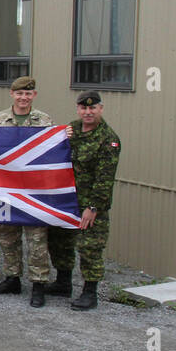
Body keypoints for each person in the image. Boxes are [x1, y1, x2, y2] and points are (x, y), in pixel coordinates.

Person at [0, 76, 54, 307]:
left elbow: (51, 153)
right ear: (12, 94)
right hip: (5, 189)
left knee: (36, 240)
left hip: (33, 191)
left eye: (28, 94)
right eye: (19, 94)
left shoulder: (44, 121)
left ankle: (38, 284)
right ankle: (12, 278)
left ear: (33, 96)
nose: (23, 98)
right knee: (7, 236)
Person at [49, 92, 121, 310]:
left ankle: (90, 292)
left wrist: (93, 208)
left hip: (89, 204)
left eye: (92, 108)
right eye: (83, 108)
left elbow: (105, 179)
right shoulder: (72, 130)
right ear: (78, 109)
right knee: (60, 242)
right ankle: (63, 283)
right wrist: (60, 135)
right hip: (66, 200)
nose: (87, 112)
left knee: (90, 248)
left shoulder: (108, 139)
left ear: (101, 109)